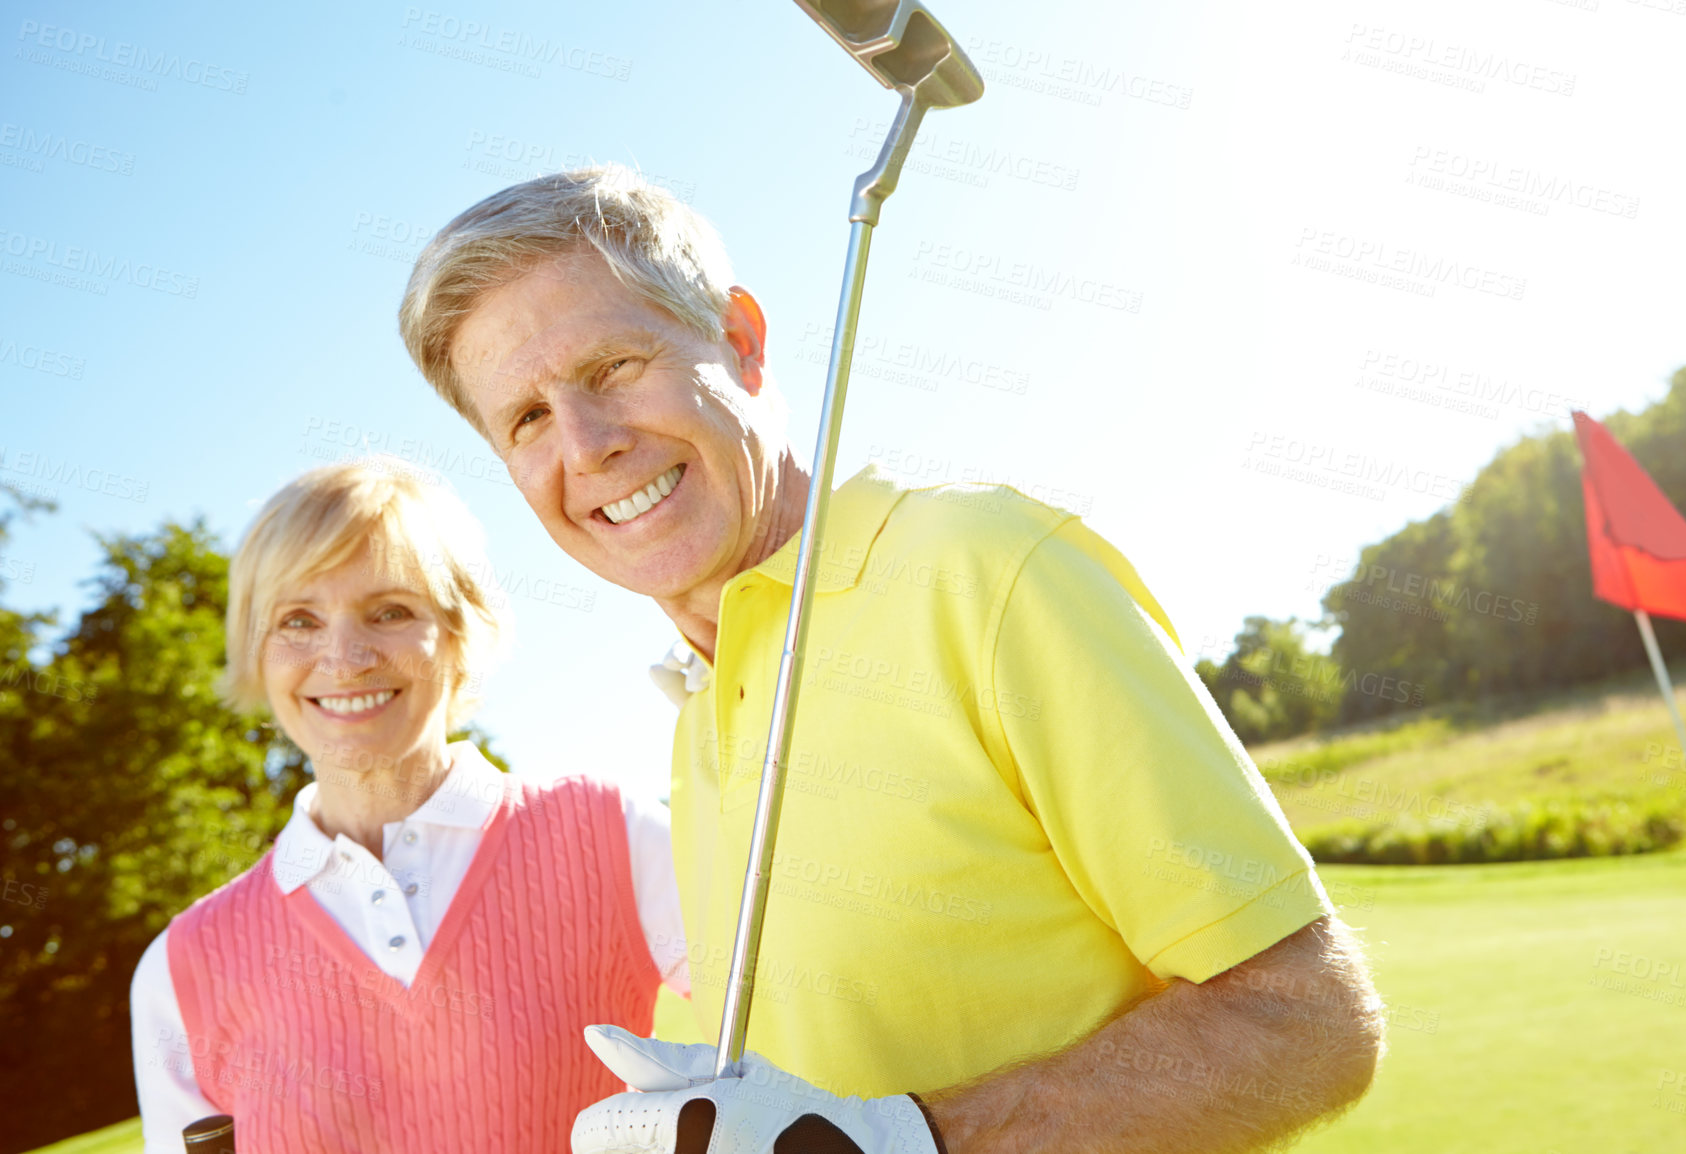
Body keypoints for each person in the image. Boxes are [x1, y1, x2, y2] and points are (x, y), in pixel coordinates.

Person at [398, 167, 1385, 1154]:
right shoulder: (699, 710)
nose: (586, 443)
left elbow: (1307, 1018)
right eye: (526, 417)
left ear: (741, 342)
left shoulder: (985, 567)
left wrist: (897, 1138)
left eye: (614, 364)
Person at [129, 460, 688, 1153]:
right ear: (258, 654)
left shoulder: (612, 836)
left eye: (389, 611)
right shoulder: (182, 968)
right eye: (297, 620)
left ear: (459, 633)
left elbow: (796, 1050)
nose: (344, 657)